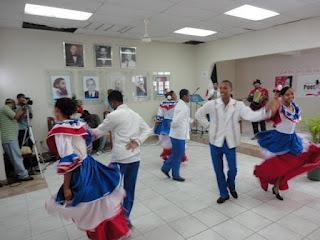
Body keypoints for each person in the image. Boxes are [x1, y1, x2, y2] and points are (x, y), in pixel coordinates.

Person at [45, 98, 129, 240]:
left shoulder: (60, 130)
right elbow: (88, 140)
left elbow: (69, 160)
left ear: (57, 110)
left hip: (80, 172)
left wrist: (66, 187)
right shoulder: (79, 124)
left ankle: (101, 236)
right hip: (91, 166)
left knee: (89, 209)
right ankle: (115, 233)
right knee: (101, 203)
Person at [195, 80, 276, 204]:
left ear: (231, 90)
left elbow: (251, 116)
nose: (222, 90)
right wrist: (208, 126)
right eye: (220, 88)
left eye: (225, 88)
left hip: (230, 142)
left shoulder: (238, 105)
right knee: (218, 170)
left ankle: (231, 185)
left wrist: (267, 111)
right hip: (215, 142)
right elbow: (198, 114)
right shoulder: (212, 104)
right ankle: (224, 193)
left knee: (233, 169)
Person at [92, 90, 152, 227]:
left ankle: (115, 222)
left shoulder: (113, 115)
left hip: (119, 159)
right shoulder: (134, 114)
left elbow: (97, 132)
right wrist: (138, 141)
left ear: (112, 102)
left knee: (113, 191)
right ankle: (125, 219)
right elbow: (148, 130)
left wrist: (80, 131)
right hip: (135, 158)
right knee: (129, 191)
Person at [254, 86, 320, 200]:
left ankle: (277, 185)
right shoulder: (278, 106)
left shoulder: (295, 108)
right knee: (280, 165)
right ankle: (274, 184)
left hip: (292, 139)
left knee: (290, 165)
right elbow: (268, 111)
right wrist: (274, 99)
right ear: (282, 95)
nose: (290, 96)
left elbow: (294, 122)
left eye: (292, 94)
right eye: (287, 94)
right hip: (279, 140)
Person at [161, 89, 192, 182]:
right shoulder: (183, 106)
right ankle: (175, 175)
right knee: (178, 155)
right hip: (178, 135)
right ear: (184, 96)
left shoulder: (181, 104)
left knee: (176, 153)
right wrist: (172, 125)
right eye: (188, 95)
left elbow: (184, 119)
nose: (189, 97)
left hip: (177, 134)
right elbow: (178, 120)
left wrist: (192, 121)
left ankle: (165, 168)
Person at [0, 99, 33, 181]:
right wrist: (23, 106)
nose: (15, 106)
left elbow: (18, 119)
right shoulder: (5, 108)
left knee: (14, 157)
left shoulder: (7, 110)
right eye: (15, 104)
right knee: (17, 156)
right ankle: (23, 175)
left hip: (10, 138)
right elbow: (16, 116)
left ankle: (20, 174)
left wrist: (24, 109)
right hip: (9, 137)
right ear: (12, 103)